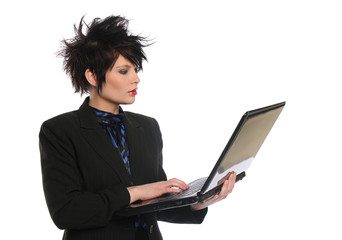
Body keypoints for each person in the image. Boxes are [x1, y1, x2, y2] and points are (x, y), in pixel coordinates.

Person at [39, 15, 237, 240]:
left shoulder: (147, 127)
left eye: (135, 69)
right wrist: (135, 192)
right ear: (92, 76)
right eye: (124, 71)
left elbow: (154, 204)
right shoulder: (59, 131)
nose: (136, 79)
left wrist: (200, 202)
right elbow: (66, 212)